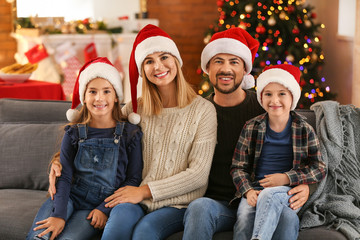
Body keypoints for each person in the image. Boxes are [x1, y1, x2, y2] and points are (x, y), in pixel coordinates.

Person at [48, 24, 217, 240]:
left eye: (164, 57)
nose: (158, 66)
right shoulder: (136, 109)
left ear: (176, 60)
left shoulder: (203, 110)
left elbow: (198, 175)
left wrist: (144, 191)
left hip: (177, 204)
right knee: (115, 230)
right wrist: (58, 161)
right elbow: (94, 130)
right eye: (149, 61)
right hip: (133, 199)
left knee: (144, 232)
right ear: (142, 70)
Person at [183, 27, 313, 240]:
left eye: (234, 62)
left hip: (262, 200)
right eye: (218, 61)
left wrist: (307, 186)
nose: (226, 69)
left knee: (288, 218)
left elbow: (306, 152)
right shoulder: (197, 112)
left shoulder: (265, 106)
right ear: (207, 67)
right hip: (218, 204)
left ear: (245, 70)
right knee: (199, 207)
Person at [26, 57, 143, 240]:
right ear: (84, 97)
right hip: (70, 197)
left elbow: (133, 179)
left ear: (115, 97)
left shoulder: (130, 134)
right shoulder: (73, 133)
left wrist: (104, 209)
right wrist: (59, 215)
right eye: (92, 92)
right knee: (40, 237)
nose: (99, 98)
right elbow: (64, 176)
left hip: (98, 205)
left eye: (106, 91)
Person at [231, 64, 326, 240]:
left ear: (292, 98)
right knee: (244, 217)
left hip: (287, 192)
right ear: (261, 97)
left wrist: (287, 178)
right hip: (255, 189)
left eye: (282, 94)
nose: (274, 101)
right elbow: (238, 167)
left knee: (270, 196)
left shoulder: (304, 129)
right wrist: (248, 191)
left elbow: (319, 167)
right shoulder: (252, 127)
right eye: (268, 94)